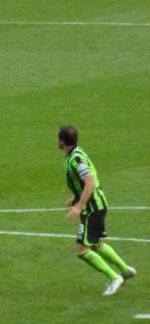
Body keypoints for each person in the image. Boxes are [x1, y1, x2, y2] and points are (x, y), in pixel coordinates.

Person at [58, 126, 135, 296]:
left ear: (62, 141)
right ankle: (125, 270)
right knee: (95, 244)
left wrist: (78, 207)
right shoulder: (76, 154)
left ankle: (115, 277)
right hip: (96, 205)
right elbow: (85, 181)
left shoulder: (76, 159)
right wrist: (75, 197)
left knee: (82, 250)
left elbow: (90, 182)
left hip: (92, 208)